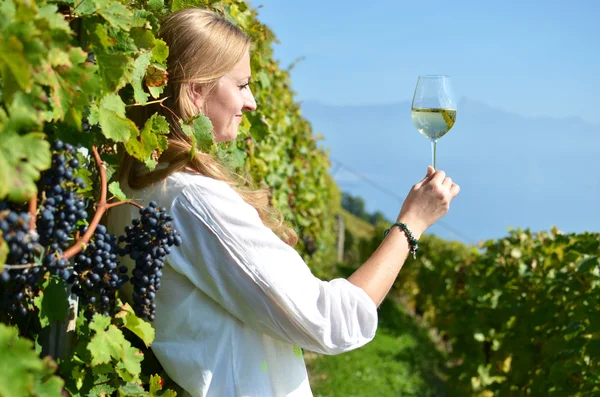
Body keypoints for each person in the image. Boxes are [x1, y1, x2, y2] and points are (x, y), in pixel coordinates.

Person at [108, 7, 460, 397]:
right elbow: (329, 321)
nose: (252, 102)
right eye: (241, 85)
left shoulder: (134, 186)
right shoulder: (194, 201)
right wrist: (411, 224)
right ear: (196, 90)